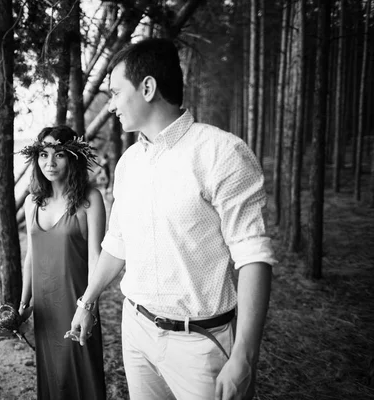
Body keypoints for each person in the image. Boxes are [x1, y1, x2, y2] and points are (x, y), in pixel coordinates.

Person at [69, 38, 276, 400]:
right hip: (135, 330)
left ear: (147, 87)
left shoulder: (221, 153)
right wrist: (87, 302)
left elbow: (253, 256)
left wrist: (245, 354)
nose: (113, 104)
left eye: (116, 93)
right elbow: (117, 243)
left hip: (200, 344)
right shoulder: (129, 163)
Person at [18, 125, 107, 400]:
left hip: (76, 302)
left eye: (59, 155)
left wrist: (89, 307)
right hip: (45, 307)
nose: (50, 163)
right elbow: (31, 256)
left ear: (74, 157)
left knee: (81, 377)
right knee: (54, 379)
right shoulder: (32, 203)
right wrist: (23, 303)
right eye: (43, 155)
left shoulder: (89, 200)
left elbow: (96, 259)